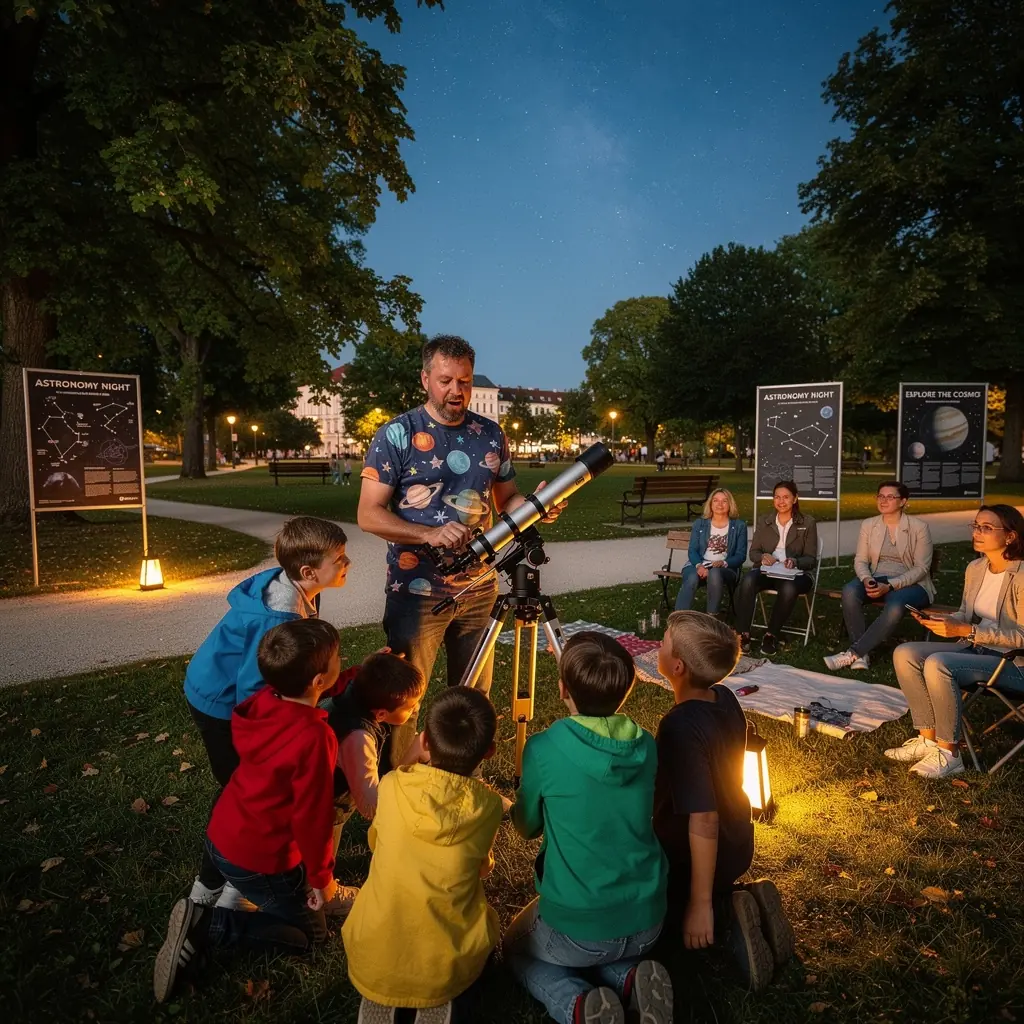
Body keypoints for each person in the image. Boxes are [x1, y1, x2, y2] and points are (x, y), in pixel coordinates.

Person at [357, 334, 566, 767]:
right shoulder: (397, 434)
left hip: (480, 589)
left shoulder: (490, 434)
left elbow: (506, 499)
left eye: (465, 381)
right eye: (446, 380)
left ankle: (462, 783)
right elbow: (369, 515)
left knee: (471, 700)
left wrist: (536, 507)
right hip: (417, 591)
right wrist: (428, 534)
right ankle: (395, 787)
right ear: (425, 379)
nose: (457, 390)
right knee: (402, 701)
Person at [154, 620, 345, 1003]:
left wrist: (348, 679)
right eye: (339, 658)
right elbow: (312, 817)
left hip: (221, 835)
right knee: (311, 937)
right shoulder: (314, 737)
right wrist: (321, 878)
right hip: (260, 858)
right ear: (318, 680)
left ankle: (214, 906)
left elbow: (302, 690)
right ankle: (209, 924)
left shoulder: (262, 701)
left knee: (292, 917)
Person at [182, 516, 353, 909]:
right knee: (242, 787)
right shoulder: (278, 618)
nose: (348, 564)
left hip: (233, 688)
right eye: (340, 559)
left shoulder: (296, 588)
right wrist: (287, 740)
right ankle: (212, 892)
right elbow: (255, 691)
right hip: (221, 699)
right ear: (309, 571)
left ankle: (229, 884)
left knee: (249, 788)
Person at [504, 632, 673, 1024]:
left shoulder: (543, 749)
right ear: (626, 692)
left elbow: (527, 826)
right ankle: (629, 978)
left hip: (577, 924)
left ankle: (576, 1004)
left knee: (517, 946)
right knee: (600, 948)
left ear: (563, 689)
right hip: (648, 919)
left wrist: (514, 807)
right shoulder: (646, 746)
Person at [343, 687, 504, 1023]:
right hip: (446, 966)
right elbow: (482, 868)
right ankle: (442, 988)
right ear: (488, 751)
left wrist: (410, 756)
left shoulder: (392, 785)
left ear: (425, 741)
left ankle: (391, 985)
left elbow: (376, 839)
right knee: (487, 925)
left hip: (371, 952)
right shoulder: (487, 806)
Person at [654, 611, 793, 991]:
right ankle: (742, 899)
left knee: (656, 916)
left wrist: (699, 904)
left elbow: (703, 819)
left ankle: (723, 915)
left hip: (691, 858)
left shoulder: (680, 727)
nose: (658, 645)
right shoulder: (726, 698)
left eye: (664, 641)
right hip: (738, 844)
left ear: (678, 667)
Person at [887, 504, 1024, 779]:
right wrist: (943, 620)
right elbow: (965, 613)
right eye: (976, 526)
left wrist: (968, 631)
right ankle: (928, 739)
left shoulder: (1021, 576)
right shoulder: (976, 568)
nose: (977, 532)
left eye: (987, 528)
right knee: (905, 653)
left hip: (1013, 663)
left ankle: (949, 753)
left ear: (1010, 536)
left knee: (939, 663)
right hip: (976, 649)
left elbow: (1021, 636)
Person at [824, 481, 934, 672]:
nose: (883, 500)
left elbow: (921, 568)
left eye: (890, 497)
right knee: (850, 591)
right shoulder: (869, 525)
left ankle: (854, 653)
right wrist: (866, 578)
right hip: (877, 578)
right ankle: (863, 655)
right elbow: (860, 559)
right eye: (880, 496)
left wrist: (890, 585)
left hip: (913, 584)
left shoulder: (919, 527)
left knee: (896, 604)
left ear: (903, 501)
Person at [325, 652, 426, 849]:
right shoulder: (358, 739)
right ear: (381, 714)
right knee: (322, 859)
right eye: (410, 707)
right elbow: (371, 806)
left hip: (314, 799)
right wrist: (412, 756)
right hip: (325, 812)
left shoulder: (352, 690)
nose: (415, 709)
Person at [734, 481, 818, 656]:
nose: (781, 501)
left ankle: (771, 635)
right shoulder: (765, 521)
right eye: (777, 497)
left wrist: (795, 561)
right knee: (748, 580)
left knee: (788, 588)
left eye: (786, 497)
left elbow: (811, 559)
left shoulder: (807, 523)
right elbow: (754, 553)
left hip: (797, 575)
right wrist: (763, 557)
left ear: (795, 499)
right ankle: (743, 634)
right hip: (770, 571)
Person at [674, 488, 747, 615]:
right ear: (710, 504)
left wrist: (724, 563)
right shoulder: (700, 524)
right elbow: (692, 550)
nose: (720, 504)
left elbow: (741, 555)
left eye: (724, 501)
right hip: (698, 563)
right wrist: (699, 565)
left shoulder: (739, 526)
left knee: (714, 573)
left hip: (725, 568)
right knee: (692, 577)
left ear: (730, 504)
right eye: (716, 501)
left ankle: (712, 616)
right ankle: (679, 618)